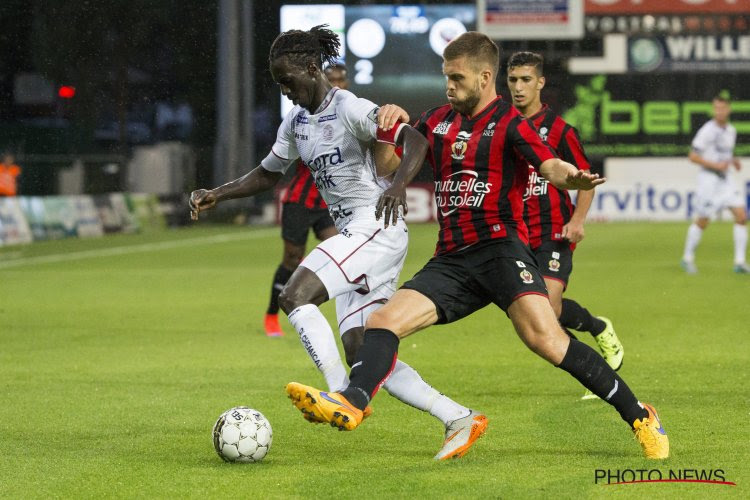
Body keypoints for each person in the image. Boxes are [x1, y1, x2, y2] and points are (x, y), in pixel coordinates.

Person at [286, 32, 669, 460]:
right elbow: (387, 164)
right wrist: (385, 128)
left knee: (548, 341)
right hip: (451, 258)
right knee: (381, 323)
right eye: (446, 77)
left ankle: (640, 415)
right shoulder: (435, 121)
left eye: (457, 78)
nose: (449, 86)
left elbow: (551, 166)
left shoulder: (511, 123)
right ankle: (352, 402)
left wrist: (570, 177)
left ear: (485, 77)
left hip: (500, 251)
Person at [190, 25, 486, 460]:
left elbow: (416, 140)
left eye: (287, 80)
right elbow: (269, 173)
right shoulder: (295, 122)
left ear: (312, 68)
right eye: (278, 84)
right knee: (361, 347)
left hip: (374, 224)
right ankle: (459, 417)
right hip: (362, 234)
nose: (285, 90)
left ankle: (340, 396)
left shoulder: (348, 107)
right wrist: (219, 191)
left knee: (295, 294)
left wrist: (399, 185)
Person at [506, 51, 624, 400]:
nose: (518, 87)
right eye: (512, 80)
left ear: (540, 82)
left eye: (526, 79)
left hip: (554, 230)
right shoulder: (504, 125)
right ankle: (596, 330)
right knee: (537, 316)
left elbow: (586, 179)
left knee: (549, 306)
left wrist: (577, 220)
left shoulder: (559, 130)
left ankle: (598, 335)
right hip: (516, 234)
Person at [264, 63, 350, 338]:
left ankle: (343, 313)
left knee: (343, 252)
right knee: (291, 258)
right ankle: (271, 316)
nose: (337, 84)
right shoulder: (306, 115)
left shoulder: (350, 112)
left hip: (327, 204)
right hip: (300, 201)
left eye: (341, 80)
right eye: (332, 79)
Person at [681, 94, 748, 274]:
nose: (719, 111)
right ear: (713, 109)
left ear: (729, 109)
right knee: (703, 220)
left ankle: (740, 262)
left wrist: (733, 160)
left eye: (722, 108)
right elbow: (693, 156)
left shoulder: (731, 130)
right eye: (716, 108)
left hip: (726, 180)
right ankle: (687, 258)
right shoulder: (707, 131)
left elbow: (724, 153)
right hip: (709, 180)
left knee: (741, 216)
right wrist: (715, 165)